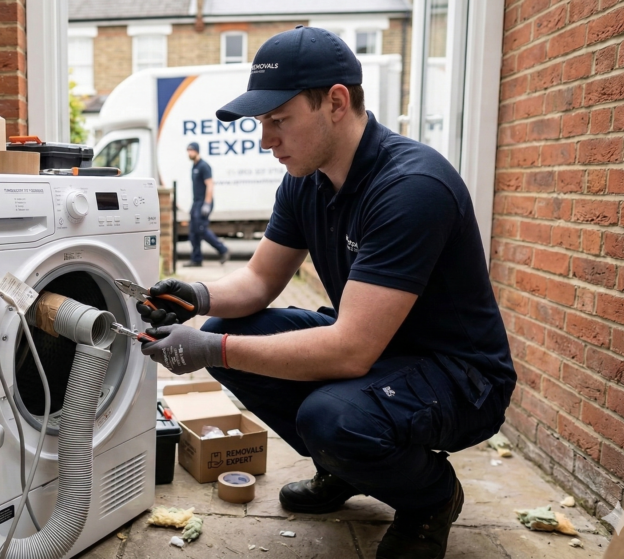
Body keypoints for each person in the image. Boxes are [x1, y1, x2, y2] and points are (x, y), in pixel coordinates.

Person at [136, 26, 514, 559]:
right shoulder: (304, 179)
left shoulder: (412, 187)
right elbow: (259, 281)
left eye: (278, 120)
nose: (266, 139)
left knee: (330, 417)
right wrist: (196, 296)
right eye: (262, 123)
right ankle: (341, 465)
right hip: (379, 353)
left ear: (335, 102)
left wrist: (205, 351)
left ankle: (430, 497)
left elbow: (350, 349)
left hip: (458, 374)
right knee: (228, 331)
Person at [186, 142, 229, 267]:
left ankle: (223, 250)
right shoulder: (194, 166)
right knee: (193, 231)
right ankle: (196, 259)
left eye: (191, 150)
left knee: (201, 229)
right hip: (196, 203)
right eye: (188, 151)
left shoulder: (204, 166)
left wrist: (207, 204)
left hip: (203, 202)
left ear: (197, 151)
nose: (189, 153)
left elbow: (210, 185)